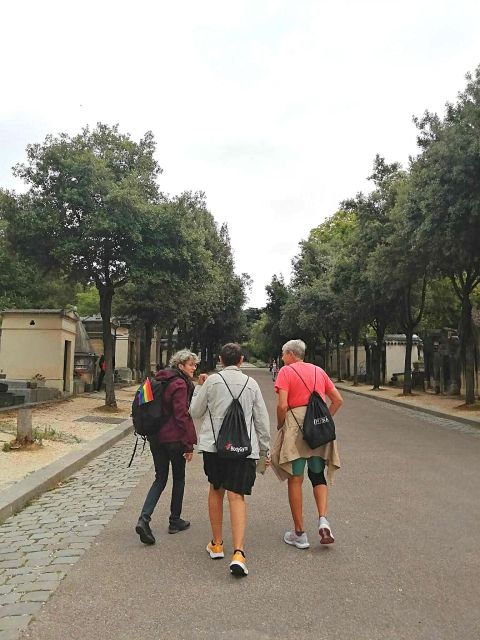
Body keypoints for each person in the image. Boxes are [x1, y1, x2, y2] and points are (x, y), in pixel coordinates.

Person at [190, 342, 270, 577]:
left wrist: (198, 387)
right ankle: (239, 552)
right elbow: (261, 420)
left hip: (215, 447)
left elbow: (194, 411)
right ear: (241, 360)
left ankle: (216, 544)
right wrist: (264, 450)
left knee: (216, 490)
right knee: (237, 496)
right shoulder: (251, 384)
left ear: (220, 360)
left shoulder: (213, 381)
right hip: (243, 449)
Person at [272, 339, 343, 549]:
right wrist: (325, 420)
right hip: (318, 429)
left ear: (291, 354)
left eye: (284, 353)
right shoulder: (318, 371)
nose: (283, 357)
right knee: (317, 475)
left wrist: (280, 424)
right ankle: (323, 520)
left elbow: (283, 405)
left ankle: (299, 533)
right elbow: (338, 399)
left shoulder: (286, 372)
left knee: (296, 478)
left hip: (296, 427)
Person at [135, 350, 198, 545]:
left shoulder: (160, 379)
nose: (194, 368)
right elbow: (181, 415)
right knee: (178, 478)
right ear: (180, 366)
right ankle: (174, 520)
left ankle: (144, 519)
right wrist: (189, 443)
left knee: (160, 478)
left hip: (156, 437)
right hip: (173, 439)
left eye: (194, 365)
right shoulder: (179, 384)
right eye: (191, 365)